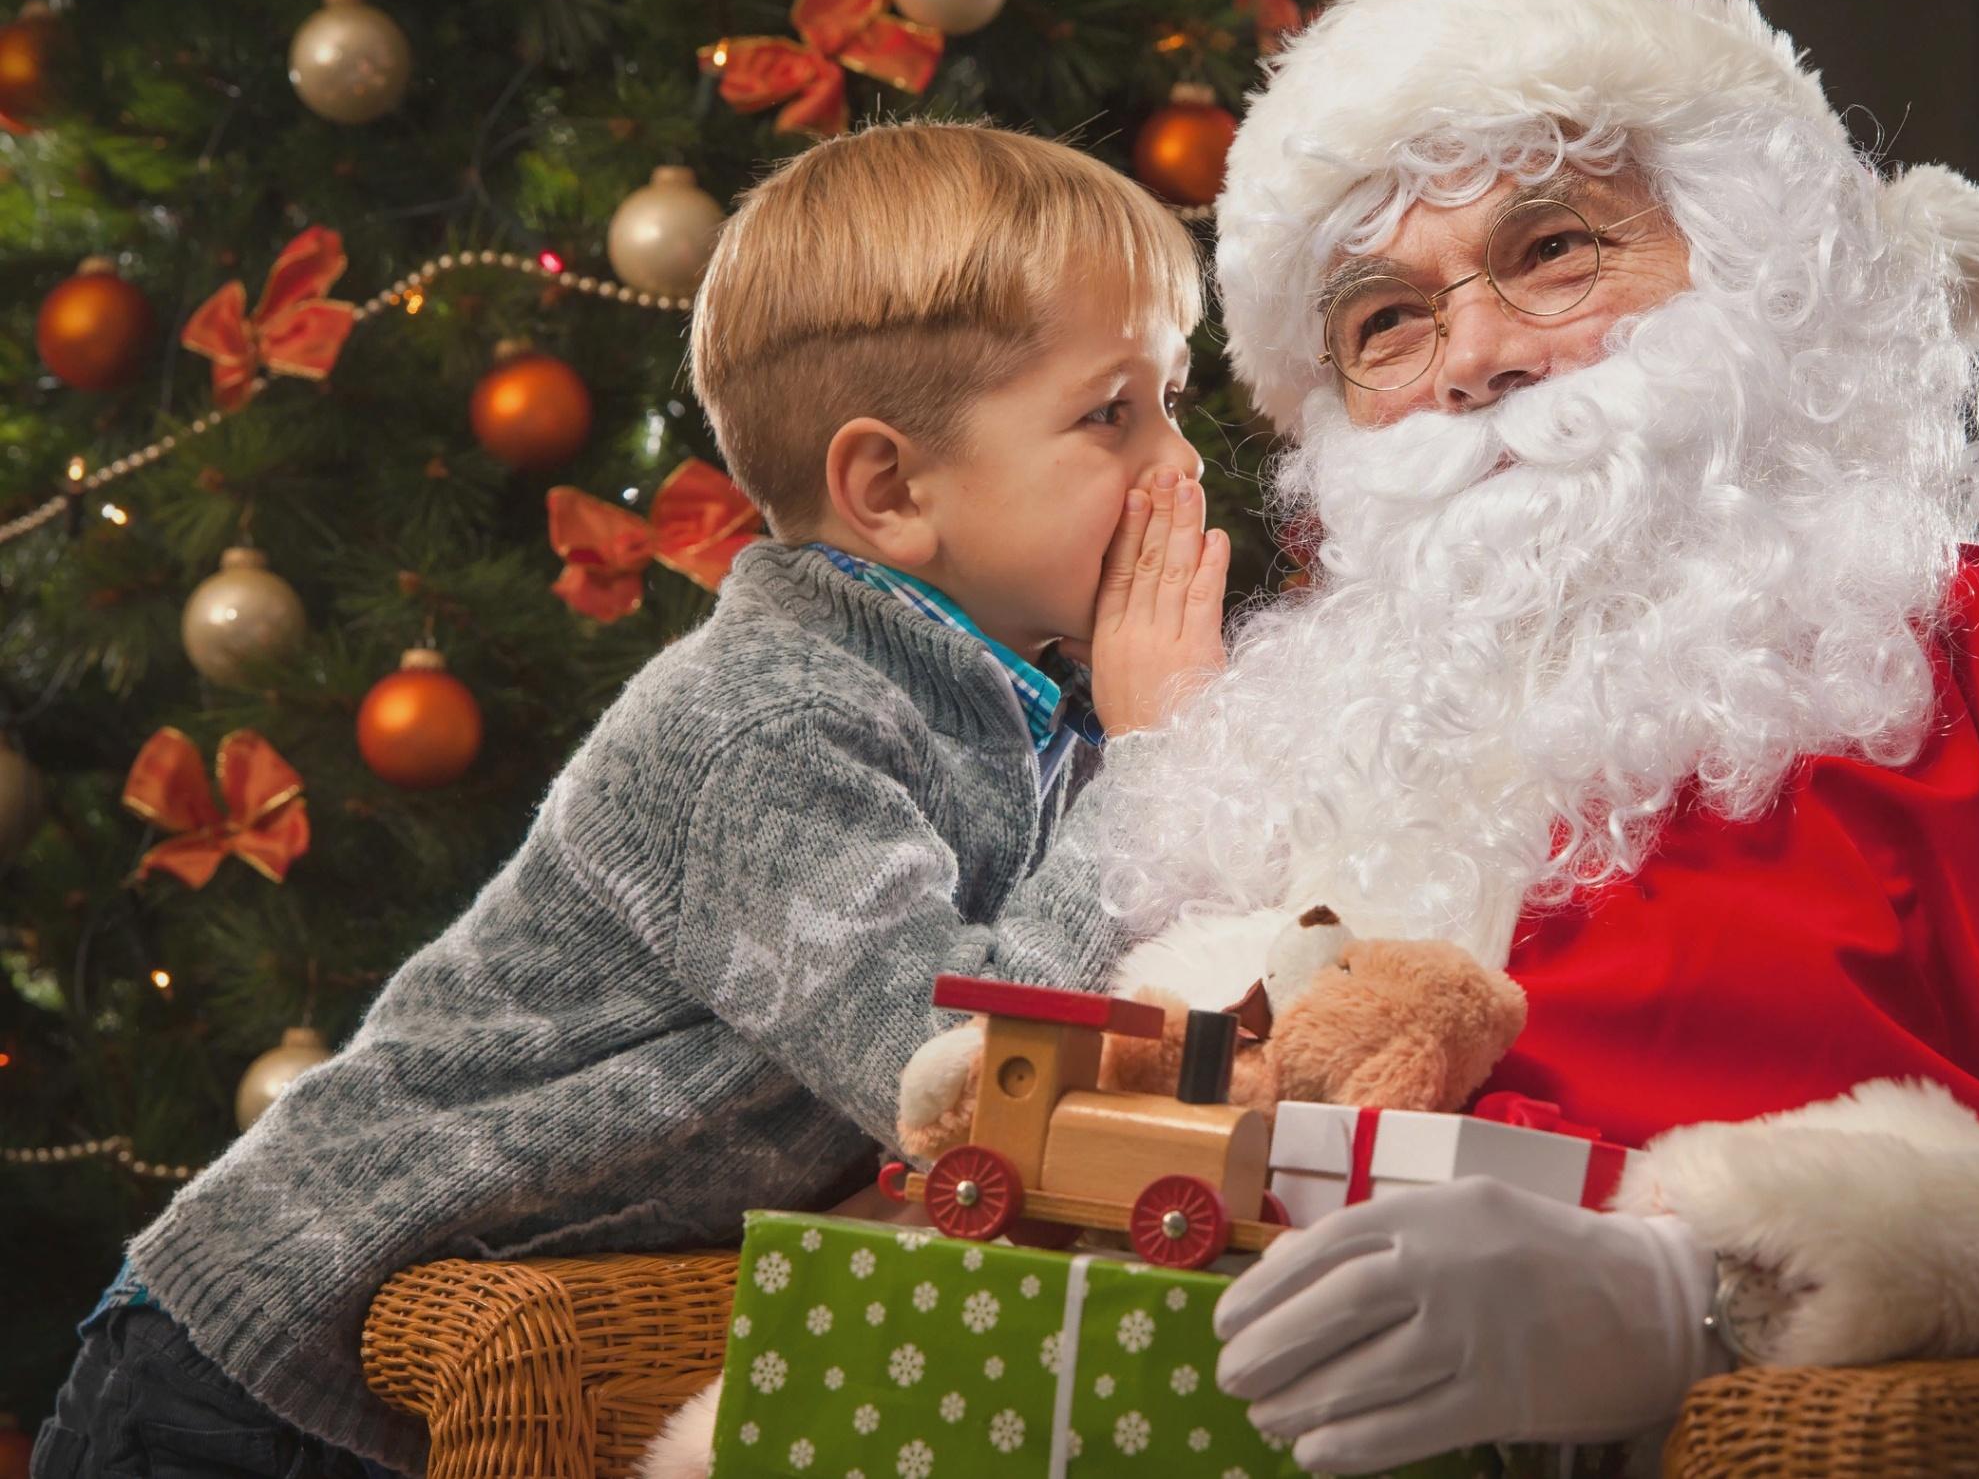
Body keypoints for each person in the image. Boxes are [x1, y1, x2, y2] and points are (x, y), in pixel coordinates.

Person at [1081, 0, 1979, 1474]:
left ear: (1763, 270)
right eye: (1387, 320)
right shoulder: (1310, 739)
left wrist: (1699, 1287)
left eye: (1556, 251)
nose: (1477, 357)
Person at [31, 122, 1232, 1479]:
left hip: (441, 1357)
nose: (1178, 464)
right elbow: (950, 1076)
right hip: (252, 1380)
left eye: (1174, 397)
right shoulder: (767, 720)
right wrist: (1164, 755)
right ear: (890, 488)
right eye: (1112, 412)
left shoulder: (1029, 713)